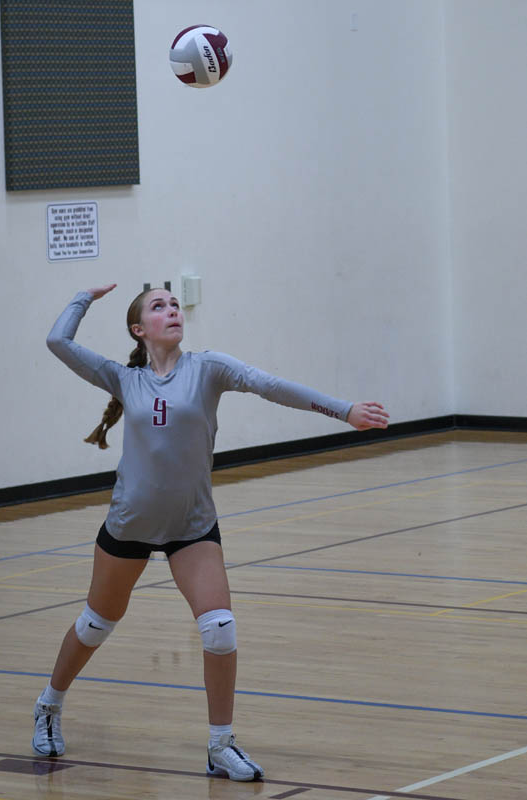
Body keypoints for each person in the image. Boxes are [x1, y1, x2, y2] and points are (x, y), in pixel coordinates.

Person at [34, 284, 389, 781]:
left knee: (220, 629)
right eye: (158, 306)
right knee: (96, 624)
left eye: (174, 304)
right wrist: (82, 298)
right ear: (139, 329)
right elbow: (58, 342)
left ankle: (220, 745)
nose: (172, 310)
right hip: (130, 525)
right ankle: (49, 705)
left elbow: (271, 385)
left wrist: (342, 409)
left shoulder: (208, 368)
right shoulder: (123, 378)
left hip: (192, 527)